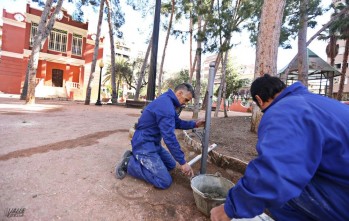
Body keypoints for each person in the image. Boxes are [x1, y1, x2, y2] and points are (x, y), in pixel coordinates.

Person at [211, 74, 349, 221]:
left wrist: (230, 208)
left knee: (280, 197)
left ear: (259, 99)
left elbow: (276, 172)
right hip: (340, 182)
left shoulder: (284, 110)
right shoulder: (316, 102)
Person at [115, 83, 205, 189]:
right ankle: (129, 163)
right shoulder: (166, 107)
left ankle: (144, 160)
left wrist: (194, 124)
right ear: (179, 93)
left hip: (154, 143)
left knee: (171, 165)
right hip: (143, 144)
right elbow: (169, 138)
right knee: (164, 181)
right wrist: (183, 162)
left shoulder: (168, 102)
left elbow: (177, 123)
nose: (184, 104)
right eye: (185, 100)